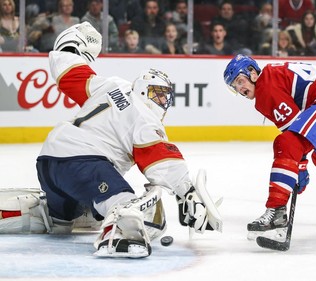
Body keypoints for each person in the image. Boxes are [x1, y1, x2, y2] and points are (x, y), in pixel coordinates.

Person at [0, 22, 222, 258]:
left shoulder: (111, 85)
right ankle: (122, 237)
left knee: (65, 219)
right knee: (127, 205)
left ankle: (43, 213)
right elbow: (162, 160)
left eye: (165, 96)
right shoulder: (145, 117)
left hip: (48, 162)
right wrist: (187, 192)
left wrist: (73, 43)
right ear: (144, 88)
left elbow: (67, 71)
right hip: (83, 163)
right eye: (158, 92)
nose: (162, 100)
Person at [223, 54, 316, 238]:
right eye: (235, 86)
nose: (240, 88)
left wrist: (299, 167)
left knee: (285, 143)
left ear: (252, 73)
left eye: (240, 81)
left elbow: (292, 135)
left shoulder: (266, 87)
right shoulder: (272, 75)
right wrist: (299, 164)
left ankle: (276, 211)